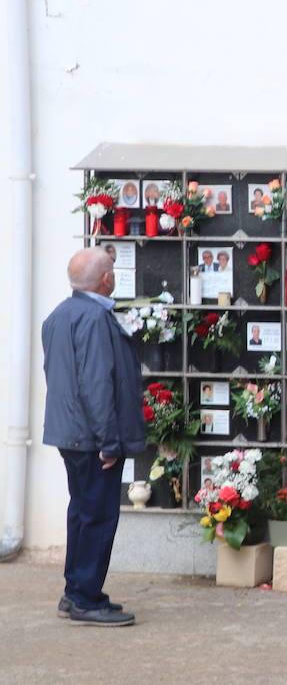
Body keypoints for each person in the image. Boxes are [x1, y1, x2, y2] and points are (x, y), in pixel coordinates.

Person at [41, 248, 145, 626]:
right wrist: (109, 440)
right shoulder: (97, 317)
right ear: (106, 278)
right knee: (98, 516)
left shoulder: (57, 315)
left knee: (81, 513)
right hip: (93, 436)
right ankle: (86, 598)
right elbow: (98, 383)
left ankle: (76, 591)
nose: (114, 275)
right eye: (112, 270)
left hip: (69, 432)